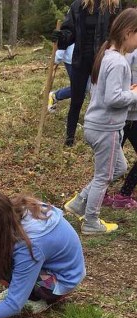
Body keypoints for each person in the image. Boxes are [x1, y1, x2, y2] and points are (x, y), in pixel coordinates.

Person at [64, 8, 137, 235]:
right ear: (127, 33)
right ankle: (91, 222)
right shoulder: (118, 62)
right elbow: (113, 98)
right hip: (106, 128)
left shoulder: (108, 55)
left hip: (97, 125)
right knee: (103, 177)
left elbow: (110, 92)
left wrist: (129, 91)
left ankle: (79, 203)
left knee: (120, 167)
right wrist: (135, 95)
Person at [52, 0, 121, 146]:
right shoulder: (78, 5)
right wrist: (62, 36)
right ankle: (69, 138)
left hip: (103, 59)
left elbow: (118, 32)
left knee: (102, 98)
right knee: (77, 98)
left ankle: (104, 136)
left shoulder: (113, 5)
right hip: (80, 58)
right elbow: (70, 32)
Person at [103, 47, 137, 208]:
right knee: (110, 159)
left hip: (132, 115)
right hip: (124, 115)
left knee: (111, 159)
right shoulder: (126, 54)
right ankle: (99, 193)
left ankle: (124, 194)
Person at [48, 44, 75, 112]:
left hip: (87, 58)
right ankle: (55, 96)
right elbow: (65, 38)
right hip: (71, 60)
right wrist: (58, 57)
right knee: (79, 87)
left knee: (85, 87)